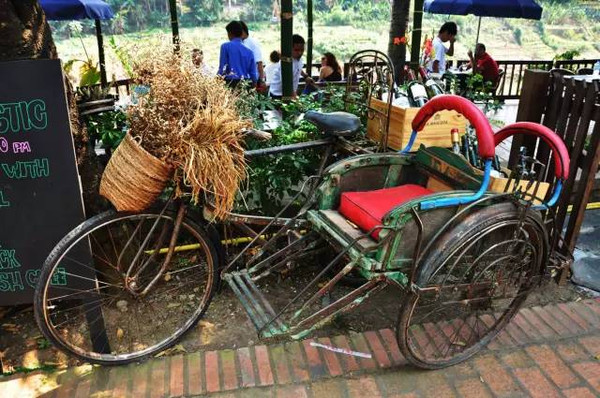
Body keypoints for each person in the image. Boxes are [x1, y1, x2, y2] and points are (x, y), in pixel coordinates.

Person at [218, 21, 258, 88]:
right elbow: (253, 73)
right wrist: (254, 84)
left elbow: (223, 68)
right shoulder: (249, 52)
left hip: (230, 83)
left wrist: (216, 81)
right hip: (245, 83)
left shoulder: (225, 46)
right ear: (241, 33)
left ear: (230, 33)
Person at [268, 34, 307, 99]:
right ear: (290, 48)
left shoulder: (299, 59)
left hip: (290, 93)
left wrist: (306, 76)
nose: (300, 53)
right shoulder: (286, 62)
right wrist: (295, 97)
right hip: (277, 95)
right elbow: (286, 83)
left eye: (302, 50)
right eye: (296, 50)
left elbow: (298, 69)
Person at [239, 21, 265, 89]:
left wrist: (262, 80)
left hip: (252, 79)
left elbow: (259, 62)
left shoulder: (253, 43)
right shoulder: (240, 42)